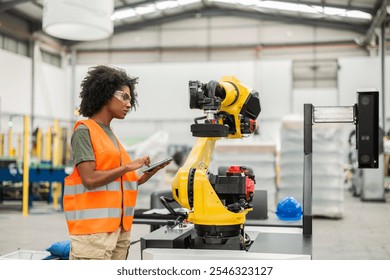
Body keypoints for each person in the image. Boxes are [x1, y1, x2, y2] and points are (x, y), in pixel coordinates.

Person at [63, 65, 170, 260]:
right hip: (94, 234)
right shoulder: (83, 131)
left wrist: (142, 177)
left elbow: (116, 183)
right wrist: (128, 166)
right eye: (124, 97)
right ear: (104, 94)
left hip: (119, 230)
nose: (129, 104)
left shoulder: (111, 135)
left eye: (131, 98)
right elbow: (90, 179)